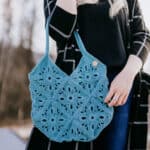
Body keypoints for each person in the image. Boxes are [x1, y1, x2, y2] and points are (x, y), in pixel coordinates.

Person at [26, 0, 150, 149]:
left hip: (119, 90)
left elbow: (142, 35)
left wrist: (128, 74)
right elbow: (59, 32)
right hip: (75, 91)